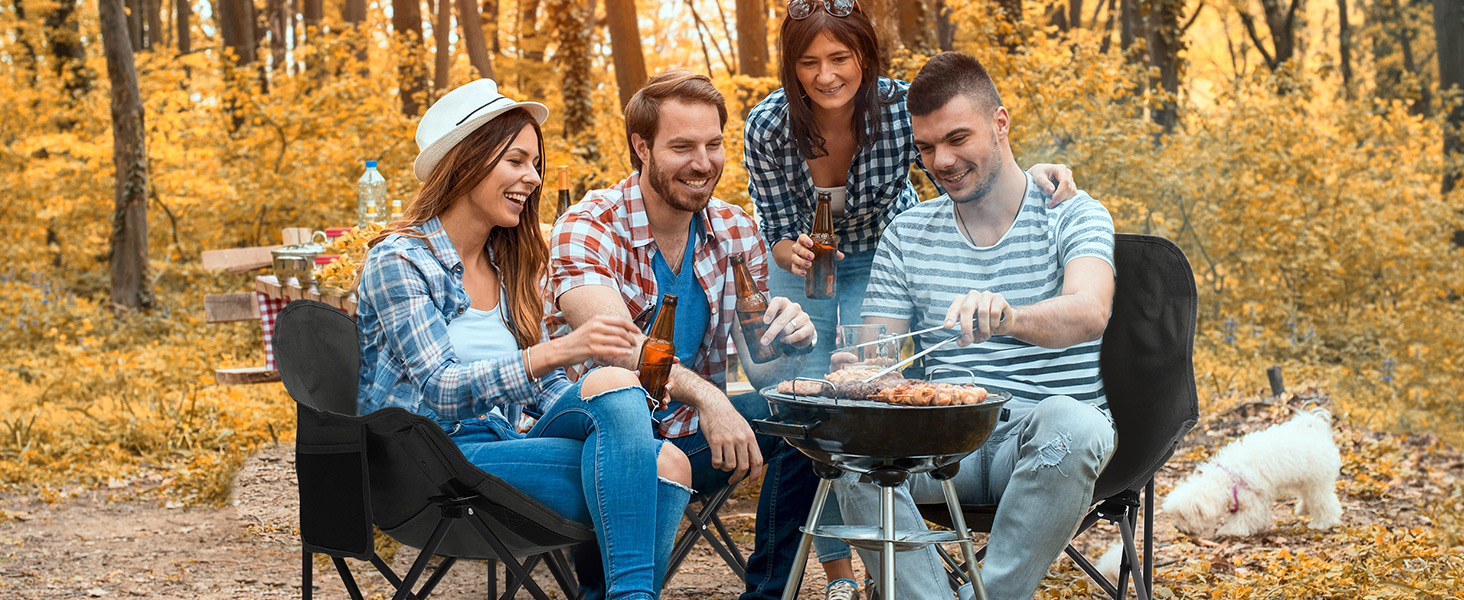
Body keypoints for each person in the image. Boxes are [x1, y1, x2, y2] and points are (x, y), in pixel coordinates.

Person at [742, 4, 1079, 598]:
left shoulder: (899, 110)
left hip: (886, 247)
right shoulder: (770, 126)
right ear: (790, 68)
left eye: (840, 58)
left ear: (865, 58)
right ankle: (831, 576)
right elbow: (771, 224)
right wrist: (785, 250)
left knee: (890, 393)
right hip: (806, 259)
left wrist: (1038, 173)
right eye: (809, 62)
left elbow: (959, 175)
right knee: (814, 409)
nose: (826, 76)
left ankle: (898, 552)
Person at [355, 79, 691, 600]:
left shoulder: (508, 263)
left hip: (504, 442)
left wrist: (621, 395)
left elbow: (544, 390)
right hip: (430, 463)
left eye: (534, 163)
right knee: (653, 470)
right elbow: (439, 389)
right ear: (467, 161)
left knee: (631, 405)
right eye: (516, 161)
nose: (532, 179)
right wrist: (559, 348)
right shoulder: (399, 260)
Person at [829, 52, 1118, 600]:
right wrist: (860, 372)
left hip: (1040, 443)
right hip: (940, 441)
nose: (941, 160)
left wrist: (1009, 316)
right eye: (926, 147)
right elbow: (880, 359)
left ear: (1000, 123)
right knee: (844, 443)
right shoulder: (907, 234)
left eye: (958, 138)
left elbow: (1090, 310)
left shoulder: (1072, 213)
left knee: (1077, 425)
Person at [547, 69, 820, 600]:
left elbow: (761, 366)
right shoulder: (587, 226)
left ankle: (767, 595)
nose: (703, 163)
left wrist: (793, 342)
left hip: (688, 438)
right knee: (625, 430)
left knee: (804, 415)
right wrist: (709, 397)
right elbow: (616, 345)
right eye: (682, 146)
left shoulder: (735, 229)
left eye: (714, 144)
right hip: (593, 443)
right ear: (641, 147)